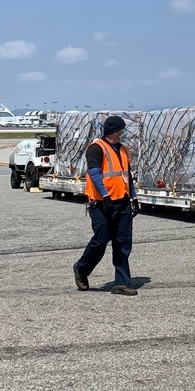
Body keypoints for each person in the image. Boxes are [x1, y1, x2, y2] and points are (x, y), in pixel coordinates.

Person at [73, 114, 139, 295]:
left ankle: (121, 283)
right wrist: (106, 196)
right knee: (101, 239)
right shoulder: (96, 148)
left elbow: (127, 175)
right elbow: (94, 174)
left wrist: (134, 197)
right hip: (101, 204)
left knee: (123, 243)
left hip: (123, 202)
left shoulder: (124, 149)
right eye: (122, 130)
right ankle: (81, 268)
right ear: (115, 131)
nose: (124, 132)